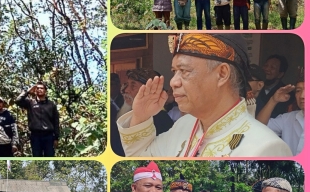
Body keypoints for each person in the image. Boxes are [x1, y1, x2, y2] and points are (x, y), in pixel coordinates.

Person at [116, 33, 293, 157]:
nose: (173, 82)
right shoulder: (184, 124)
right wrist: (140, 117)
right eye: (174, 71)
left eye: (184, 71)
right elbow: (144, 162)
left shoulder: (266, 146)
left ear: (222, 74)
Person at [257, 78, 304, 155]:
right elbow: (259, 127)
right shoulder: (288, 118)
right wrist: (273, 100)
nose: (302, 96)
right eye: (298, 91)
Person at [123, 69, 174, 135]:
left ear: (150, 90)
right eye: (127, 85)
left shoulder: (160, 118)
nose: (126, 90)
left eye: (133, 86)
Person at [15, 82, 60, 157]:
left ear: (45, 91)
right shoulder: (30, 103)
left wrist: (56, 138)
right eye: (37, 88)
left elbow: (56, 121)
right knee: (37, 158)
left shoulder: (51, 104)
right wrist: (28, 92)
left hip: (48, 136)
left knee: (49, 157)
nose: (39, 90)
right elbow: (18, 101)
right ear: (35, 91)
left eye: (41, 88)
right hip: (35, 136)